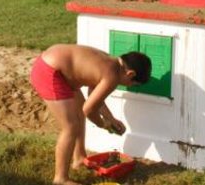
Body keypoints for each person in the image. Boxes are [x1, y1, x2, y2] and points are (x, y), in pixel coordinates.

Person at [30, 44, 151, 185]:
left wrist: (110, 118)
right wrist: (103, 124)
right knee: (70, 127)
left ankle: (79, 158)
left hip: (54, 66)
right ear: (130, 74)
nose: (129, 86)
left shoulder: (110, 62)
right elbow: (89, 109)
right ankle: (60, 179)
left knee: (78, 116)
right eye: (133, 84)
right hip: (50, 71)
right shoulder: (112, 76)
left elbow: (94, 96)